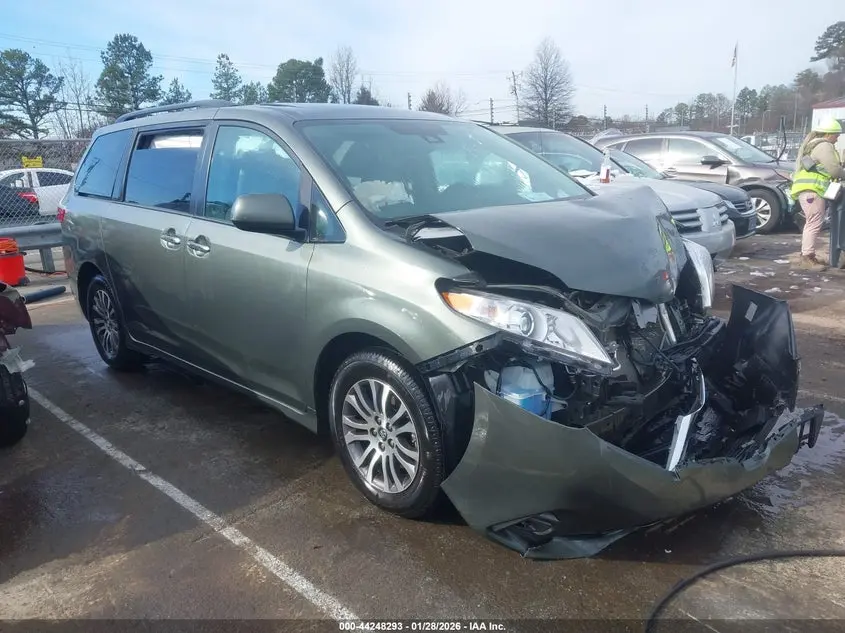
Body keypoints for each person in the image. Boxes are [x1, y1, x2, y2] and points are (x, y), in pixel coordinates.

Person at [790, 118, 843, 271]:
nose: (837, 138)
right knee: (813, 223)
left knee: (812, 222)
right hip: (812, 189)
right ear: (828, 134)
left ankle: (808, 256)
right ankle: (807, 257)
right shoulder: (824, 146)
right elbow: (834, 170)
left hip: (806, 189)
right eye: (836, 135)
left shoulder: (811, 145)